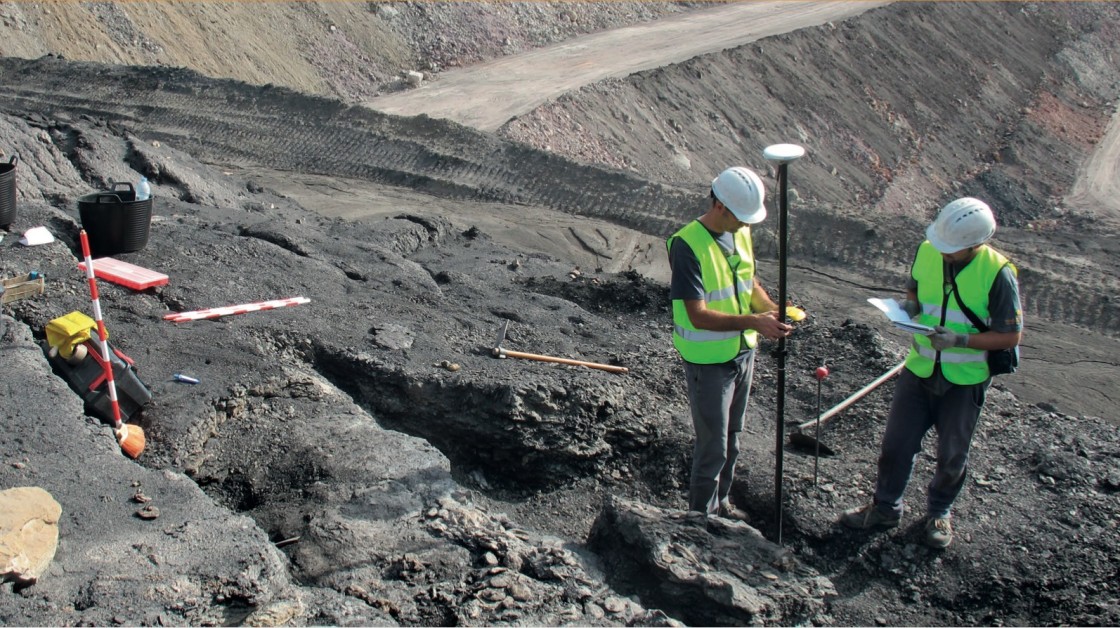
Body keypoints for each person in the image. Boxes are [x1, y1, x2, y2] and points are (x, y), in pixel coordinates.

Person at [840, 197, 1023, 548]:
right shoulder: (929, 250)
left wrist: (960, 340)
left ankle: (940, 512)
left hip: (964, 381)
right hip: (920, 368)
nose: (943, 254)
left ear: (975, 244)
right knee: (896, 445)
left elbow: (1010, 335)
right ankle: (884, 507)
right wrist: (909, 306)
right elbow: (915, 288)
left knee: (952, 453)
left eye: (951, 251)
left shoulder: (998, 273)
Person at [667, 166, 792, 521]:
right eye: (741, 216)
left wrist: (772, 310)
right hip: (709, 361)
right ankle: (700, 520)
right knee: (713, 446)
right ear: (720, 205)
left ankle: (721, 504)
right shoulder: (687, 245)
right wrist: (755, 322)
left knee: (732, 438)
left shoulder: (740, 232)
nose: (746, 223)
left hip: (742, 352)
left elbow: (748, 284)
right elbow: (697, 315)